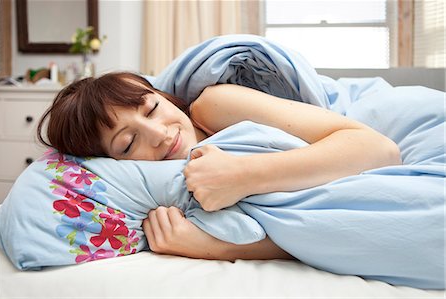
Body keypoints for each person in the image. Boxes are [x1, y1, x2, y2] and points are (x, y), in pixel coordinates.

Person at [37, 71, 401, 262]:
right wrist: (214, 247)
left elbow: (379, 150)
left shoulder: (213, 106)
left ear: (164, 97)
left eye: (151, 109)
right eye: (128, 143)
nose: (159, 133)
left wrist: (242, 176)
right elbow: (318, 235)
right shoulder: (162, 196)